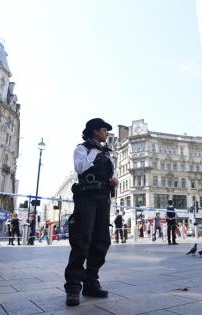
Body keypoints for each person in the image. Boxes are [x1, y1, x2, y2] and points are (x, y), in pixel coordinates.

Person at [64, 118, 118, 306]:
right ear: (95, 131)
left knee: (101, 241)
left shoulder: (106, 153)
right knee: (81, 240)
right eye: (104, 130)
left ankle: (91, 282)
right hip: (86, 198)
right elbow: (80, 167)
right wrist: (95, 151)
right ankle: (73, 287)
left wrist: (113, 180)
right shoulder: (83, 148)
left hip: (103, 199)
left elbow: (110, 174)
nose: (107, 134)